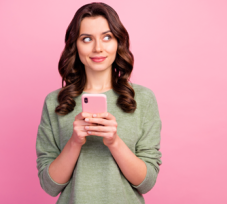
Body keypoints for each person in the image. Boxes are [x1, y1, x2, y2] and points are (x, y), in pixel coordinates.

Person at [36, 2, 162, 204]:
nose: (97, 48)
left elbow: (146, 183)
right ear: (75, 45)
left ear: (118, 42)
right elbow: (50, 186)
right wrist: (74, 142)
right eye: (86, 39)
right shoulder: (55, 102)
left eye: (107, 37)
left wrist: (114, 142)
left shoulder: (143, 99)